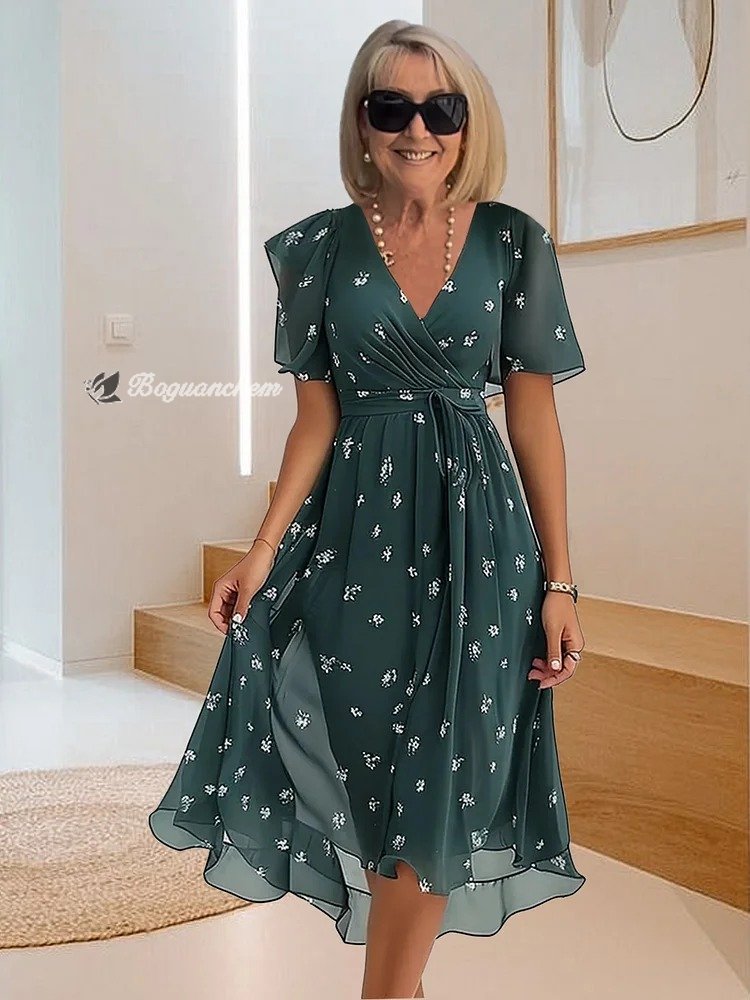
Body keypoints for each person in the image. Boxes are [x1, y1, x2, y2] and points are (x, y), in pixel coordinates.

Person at [149, 19, 587, 1000]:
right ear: (361, 122)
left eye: (442, 108)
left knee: (443, 785)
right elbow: (315, 421)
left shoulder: (514, 243)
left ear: (469, 122)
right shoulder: (315, 250)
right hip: (355, 545)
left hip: (481, 547)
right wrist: (263, 549)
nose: (417, 129)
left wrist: (560, 581)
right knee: (385, 785)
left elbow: (535, 421)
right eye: (392, 106)